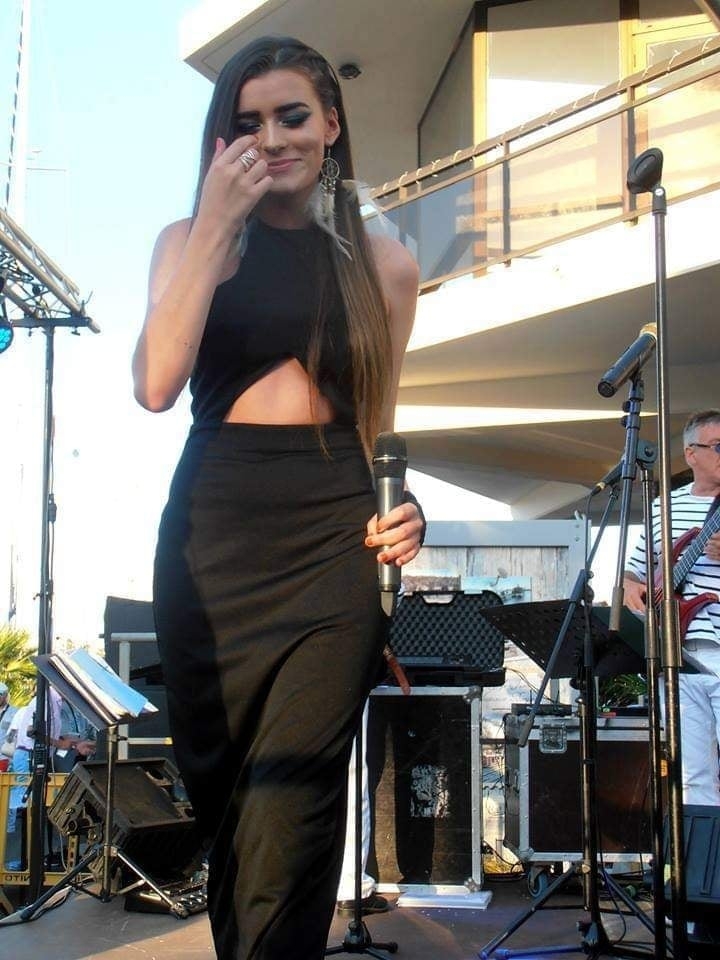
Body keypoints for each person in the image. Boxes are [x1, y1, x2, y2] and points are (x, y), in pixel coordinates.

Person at [132, 36, 423, 960]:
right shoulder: (187, 243)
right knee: (234, 821)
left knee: (291, 822)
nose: (271, 139)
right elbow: (154, 384)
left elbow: (375, 429)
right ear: (222, 141)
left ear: (331, 125)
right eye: (247, 123)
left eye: (291, 116)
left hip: (333, 547)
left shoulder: (387, 265)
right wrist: (218, 223)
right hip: (212, 545)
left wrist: (403, 513)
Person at [624, 409, 720, 806]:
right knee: (693, 776)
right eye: (718, 446)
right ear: (690, 453)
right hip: (676, 655)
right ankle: (703, 848)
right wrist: (631, 588)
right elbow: (634, 573)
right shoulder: (663, 506)